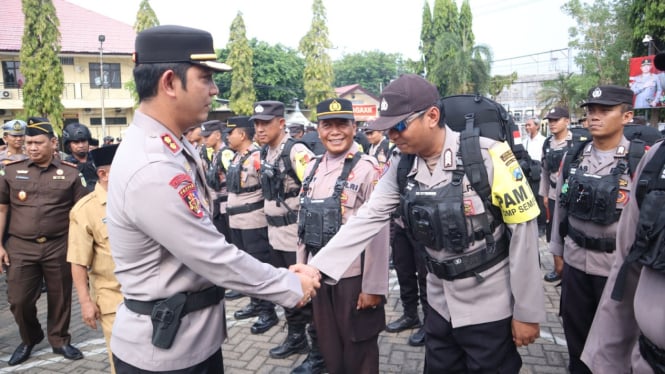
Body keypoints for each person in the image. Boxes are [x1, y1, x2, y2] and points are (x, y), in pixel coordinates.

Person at [293, 74, 545, 373]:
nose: (392, 136)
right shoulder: (402, 165)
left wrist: (527, 312)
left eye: (399, 126)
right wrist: (316, 267)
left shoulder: (489, 155)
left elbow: (524, 236)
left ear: (432, 116)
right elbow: (368, 216)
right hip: (438, 301)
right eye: (387, 129)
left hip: (489, 303)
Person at [107, 25, 319, 372]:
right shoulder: (152, 166)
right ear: (170, 83)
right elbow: (211, 256)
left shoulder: (172, 146)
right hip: (168, 354)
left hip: (186, 338)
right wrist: (288, 284)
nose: (214, 89)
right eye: (205, 78)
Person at [548, 85, 642, 373]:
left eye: (605, 111)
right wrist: (557, 251)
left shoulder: (639, 160)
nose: (595, 117)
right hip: (576, 262)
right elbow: (561, 207)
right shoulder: (575, 156)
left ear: (627, 116)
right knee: (576, 336)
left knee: (616, 344)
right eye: (591, 111)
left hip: (616, 269)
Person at [297, 98, 389, 373]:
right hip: (319, 276)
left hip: (353, 278)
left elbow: (379, 231)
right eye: (328, 125)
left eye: (342, 124)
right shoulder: (312, 167)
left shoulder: (368, 168)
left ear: (355, 127)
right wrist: (303, 269)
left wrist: (373, 287)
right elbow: (303, 221)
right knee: (329, 348)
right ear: (318, 129)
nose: (335, 132)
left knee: (359, 351)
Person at [0, 117, 89, 366]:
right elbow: (2, 209)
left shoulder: (70, 174)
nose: (31, 147)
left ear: (53, 143)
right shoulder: (11, 171)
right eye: (28, 142)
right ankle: (30, 337)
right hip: (20, 246)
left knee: (60, 297)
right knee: (18, 300)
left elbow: (81, 213)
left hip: (59, 244)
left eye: (38, 142)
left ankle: (60, 340)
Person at [581, 130, 665, 374]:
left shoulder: (638, 155)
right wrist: (608, 363)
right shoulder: (657, 160)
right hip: (648, 361)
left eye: (605, 110)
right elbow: (628, 264)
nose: (596, 117)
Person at [252, 101, 321, 365]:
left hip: (296, 237)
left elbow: (315, 188)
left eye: (265, 123)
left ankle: (318, 350)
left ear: (281, 123)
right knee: (286, 290)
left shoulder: (296, 151)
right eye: (256, 124)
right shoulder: (265, 153)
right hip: (275, 236)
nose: (259, 129)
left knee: (308, 295)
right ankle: (296, 337)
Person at [67, 144, 122, 373]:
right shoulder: (85, 210)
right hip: (114, 301)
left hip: (151, 297)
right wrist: (85, 302)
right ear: (103, 174)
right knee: (121, 362)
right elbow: (78, 261)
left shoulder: (138, 200)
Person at [540, 107, 572, 283]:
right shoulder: (547, 144)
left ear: (567, 121)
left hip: (572, 195)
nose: (552, 123)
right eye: (550, 120)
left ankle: (571, 268)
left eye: (556, 120)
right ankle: (558, 267)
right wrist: (544, 195)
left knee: (571, 230)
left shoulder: (577, 142)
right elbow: (544, 171)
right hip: (553, 195)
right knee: (553, 231)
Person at [200, 119, 234, 239]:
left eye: (207, 136)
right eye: (203, 137)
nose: (204, 140)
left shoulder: (226, 154)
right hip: (218, 208)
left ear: (218, 135)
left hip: (227, 208)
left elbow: (234, 181)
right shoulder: (214, 155)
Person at [62, 122, 96, 190]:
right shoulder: (65, 165)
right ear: (69, 145)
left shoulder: (98, 160)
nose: (81, 145)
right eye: (76, 142)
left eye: (83, 141)